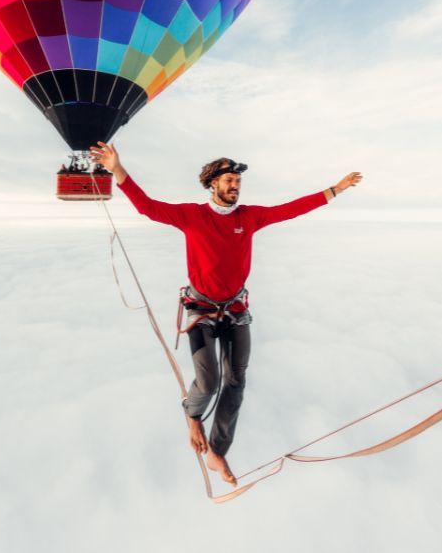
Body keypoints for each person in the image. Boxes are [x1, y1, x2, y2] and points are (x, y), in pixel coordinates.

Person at [88, 141, 362, 486]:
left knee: (236, 382)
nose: (235, 187)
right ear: (212, 184)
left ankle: (218, 451)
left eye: (238, 183)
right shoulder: (192, 216)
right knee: (209, 381)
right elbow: (149, 208)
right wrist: (118, 170)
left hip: (235, 311)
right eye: (229, 181)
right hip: (201, 311)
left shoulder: (249, 217)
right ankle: (192, 415)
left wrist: (335, 189)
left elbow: (291, 209)